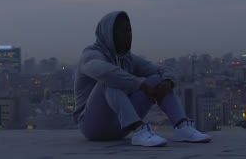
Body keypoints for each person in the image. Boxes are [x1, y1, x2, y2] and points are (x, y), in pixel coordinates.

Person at [73, 11, 211, 146]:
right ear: (109, 34)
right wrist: (139, 83)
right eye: (122, 32)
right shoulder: (91, 55)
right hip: (92, 126)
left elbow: (163, 70)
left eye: (129, 31)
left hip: (120, 127)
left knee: (157, 79)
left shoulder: (128, 59)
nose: (128, 36)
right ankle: (140, 130)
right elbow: (101, 70)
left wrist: (168, 81)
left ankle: (182, 126)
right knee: (109, 81)